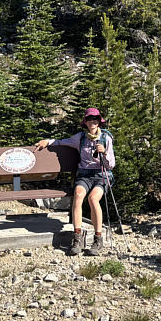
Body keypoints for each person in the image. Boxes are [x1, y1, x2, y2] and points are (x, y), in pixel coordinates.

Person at [34, 107, 115, 255]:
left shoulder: (106, 138)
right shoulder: (80, 138)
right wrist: (47, 141)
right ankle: (76, 238)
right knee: (78, 196)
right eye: (89, 119)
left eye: (95, 119)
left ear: (99, 121)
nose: (92, 122)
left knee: (93, 199)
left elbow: (111, 165)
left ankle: (98, 239)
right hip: (84, 174)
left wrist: (104, 153)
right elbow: (61, 142)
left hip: (101, 175)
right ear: (86, 122)